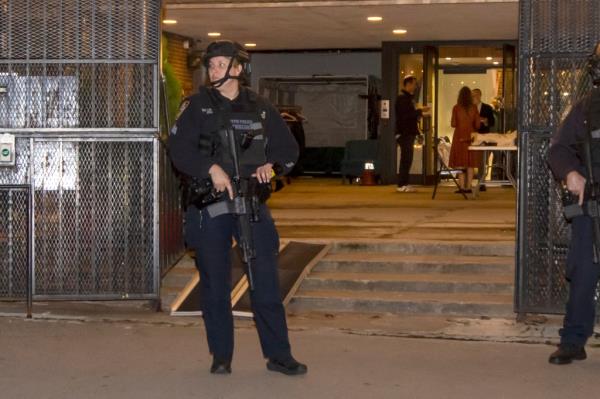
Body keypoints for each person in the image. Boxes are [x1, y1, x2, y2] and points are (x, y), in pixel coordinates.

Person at [168, 40, 307, 376]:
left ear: (237, 68)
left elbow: (289, 149)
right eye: (211, 64)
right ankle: (221, 355)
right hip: (210, 206)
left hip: (250, 203)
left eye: (220, 64)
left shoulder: (259, 107)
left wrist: (271, 167)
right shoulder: (196, 105)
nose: (213, 69)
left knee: (265, 282)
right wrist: (209, 169)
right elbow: (178, 150)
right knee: (215, 284)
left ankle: (279, 355)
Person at [547, 43, 600, 365]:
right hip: (593, 205)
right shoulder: (586, 107)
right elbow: (558, 149)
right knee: (582, 273)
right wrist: (570, 173)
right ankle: (573, 340)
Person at [395, 75, 429, 193]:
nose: (415, 86)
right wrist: (420, 111)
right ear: (408, 84)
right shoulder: (402, 99)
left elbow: (410, 115)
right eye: (414, 84)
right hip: (404, 133)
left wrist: (419, 113)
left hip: (408, 132)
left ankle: (405, 183)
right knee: (406, 159)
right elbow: (405, 116)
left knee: (408, 159)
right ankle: (401, 184)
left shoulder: (408, 99)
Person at [448, 87, 481, 193]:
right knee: (470, 163)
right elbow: (477, 125)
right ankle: (469, 186)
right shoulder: (474, 107)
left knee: (460, 162)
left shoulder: (456, 108)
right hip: (470, 137)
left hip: (459, 137)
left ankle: (461, 187)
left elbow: (453, 124)